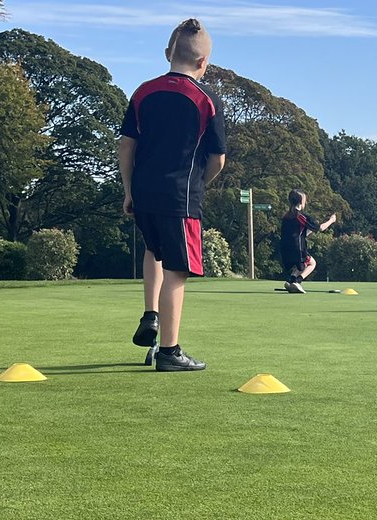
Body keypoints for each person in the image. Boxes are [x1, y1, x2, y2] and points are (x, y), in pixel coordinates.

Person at [120, 18, 226, 371]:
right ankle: (170, 351)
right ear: (203, 62)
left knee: (155, 251)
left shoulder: (142, 92)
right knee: (178, 271)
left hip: (144, 191)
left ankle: (150, 314)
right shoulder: (207, 99)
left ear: (168, 54)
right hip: (180, 196)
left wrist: (128, 189)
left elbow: (126, 145)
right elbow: (218, 159)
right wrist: (199, 185)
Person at [280, 190, 336, 293]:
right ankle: (297, 281)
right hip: (297, 247)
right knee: (311, 263)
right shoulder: (300, 216)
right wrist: (331, 220)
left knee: (299, 265)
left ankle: (290, 281)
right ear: (301, 201)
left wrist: (311, 230)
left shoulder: (286, 216)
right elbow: (321, 228)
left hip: (285, 248)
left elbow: (299, 232)